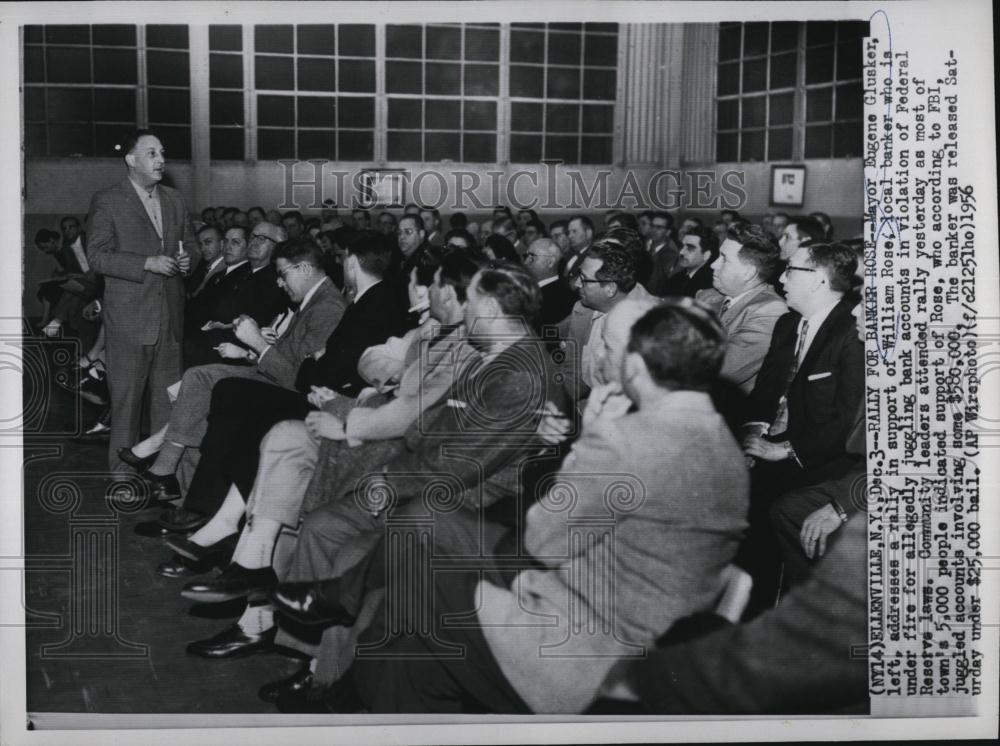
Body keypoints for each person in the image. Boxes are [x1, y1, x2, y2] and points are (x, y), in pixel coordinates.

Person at [312, 298, 748, 714]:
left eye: (612, 350)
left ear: (636, 365)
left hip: (584, 644)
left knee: (421, 583)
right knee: (426, 542)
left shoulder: (626, 439)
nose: (601, 358)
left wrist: (594, 437)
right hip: (636, 625)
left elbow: (543, 540)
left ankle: (347, 690)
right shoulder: (723, 443)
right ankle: (352, 678)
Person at [85, 129, 198, 473]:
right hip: (130, 320)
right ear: (131, 160)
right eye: (151, 153)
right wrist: (146, 262)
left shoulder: (175, 200)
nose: (161, 160)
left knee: (169, 405)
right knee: (126, 406)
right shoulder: (108, 200)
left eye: (162, 152)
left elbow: (190, 245)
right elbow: (97, 257)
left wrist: (187, 261)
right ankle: (122, 480)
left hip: (170, 318)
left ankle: (161, 477)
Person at [696, 223, 787, 394]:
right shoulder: (707, 296)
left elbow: (720, 369)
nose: (713, 265)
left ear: (748, 272)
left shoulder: (771, 310)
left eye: (724, 259)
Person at [523, 237, 576, 328]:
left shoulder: (561, 297)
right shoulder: (528, 289)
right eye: (526, 256)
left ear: (550, 262)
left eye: (532, 257)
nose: (526, 262)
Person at [662, 226, 717, 298]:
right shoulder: (676, 278)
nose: (681, 252)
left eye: (690, 248)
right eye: (682, 246)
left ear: (706, 255)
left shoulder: (711, 284)